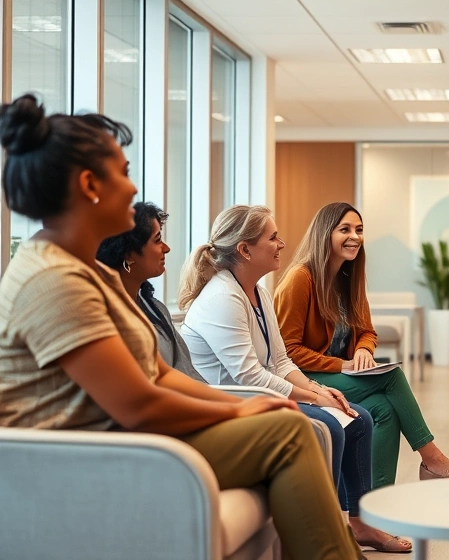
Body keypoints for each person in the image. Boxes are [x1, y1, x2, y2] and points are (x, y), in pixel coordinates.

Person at [0, 94, 362, 559]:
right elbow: (138, 404)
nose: (133, 190)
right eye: (123, 172)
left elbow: (161, 375)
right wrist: (240, 411)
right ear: (89, 184)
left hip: (125, 440)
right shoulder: (53, 280)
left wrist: (261, 404)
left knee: (293, 424)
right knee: (290, 434)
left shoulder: (93, 272)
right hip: (82, 461)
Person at [96, 202, 408, 553]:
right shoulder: (220, 298)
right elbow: (245, 375)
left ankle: (355, 526)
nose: (282, 244)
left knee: (361, 416)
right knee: (330, 423)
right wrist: (273, 403)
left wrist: (319, 391)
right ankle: (331, 532)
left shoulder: (238, 294)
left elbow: (278, 359)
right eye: (157, 239)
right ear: (244, 249)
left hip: (228, 396)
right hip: (234, 393)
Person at [274, 202, 449, 488]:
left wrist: (363, 349)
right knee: (393, 377)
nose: (355, 237)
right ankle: (432, 458)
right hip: (304, 378)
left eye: (359, 230)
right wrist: (344, 364)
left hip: (339, 374)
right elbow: (289, 351)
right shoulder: (300, 279)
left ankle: (374, 504)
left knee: (384, 409)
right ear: (326, 233)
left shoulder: (349, 277)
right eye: (345, 229)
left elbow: (367, 331)